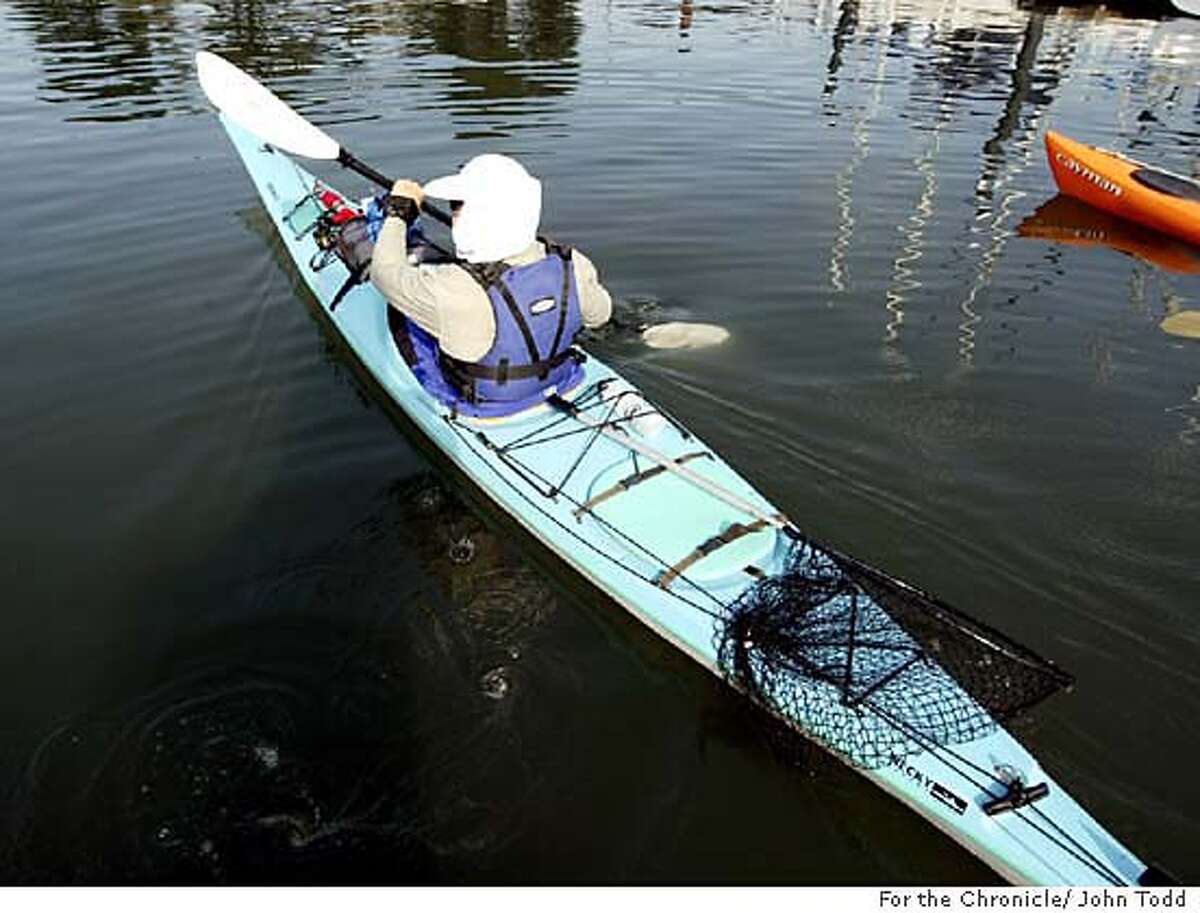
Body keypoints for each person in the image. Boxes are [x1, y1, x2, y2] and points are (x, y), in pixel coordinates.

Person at [370, 154, 612, 416]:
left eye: (456, 204)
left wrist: (398, 212)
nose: (453, 212)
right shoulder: (572, 262)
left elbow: (383, 273)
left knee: (399, 313)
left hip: (488, 404)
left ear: (478, 214)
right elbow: (600, 316)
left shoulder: (451, 286)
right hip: (564, 381)